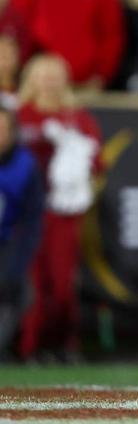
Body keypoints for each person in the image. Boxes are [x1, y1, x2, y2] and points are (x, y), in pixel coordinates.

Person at [15, 54, 101, 361]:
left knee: (63, 282)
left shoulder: (79, 119)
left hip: (63, 212)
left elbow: (96, 162)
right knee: (32, 282)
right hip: (24, 213)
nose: (50, 81)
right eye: (43, 74)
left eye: (55, 74)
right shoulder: (18, 115)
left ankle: (64, 344)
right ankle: (29, 346)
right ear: (31, 78)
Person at [0, 106, 42, 360]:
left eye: (4, 129)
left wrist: (18, 260)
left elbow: (32, 217)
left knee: (17, 289)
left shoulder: (25, 165)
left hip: (7, 240)